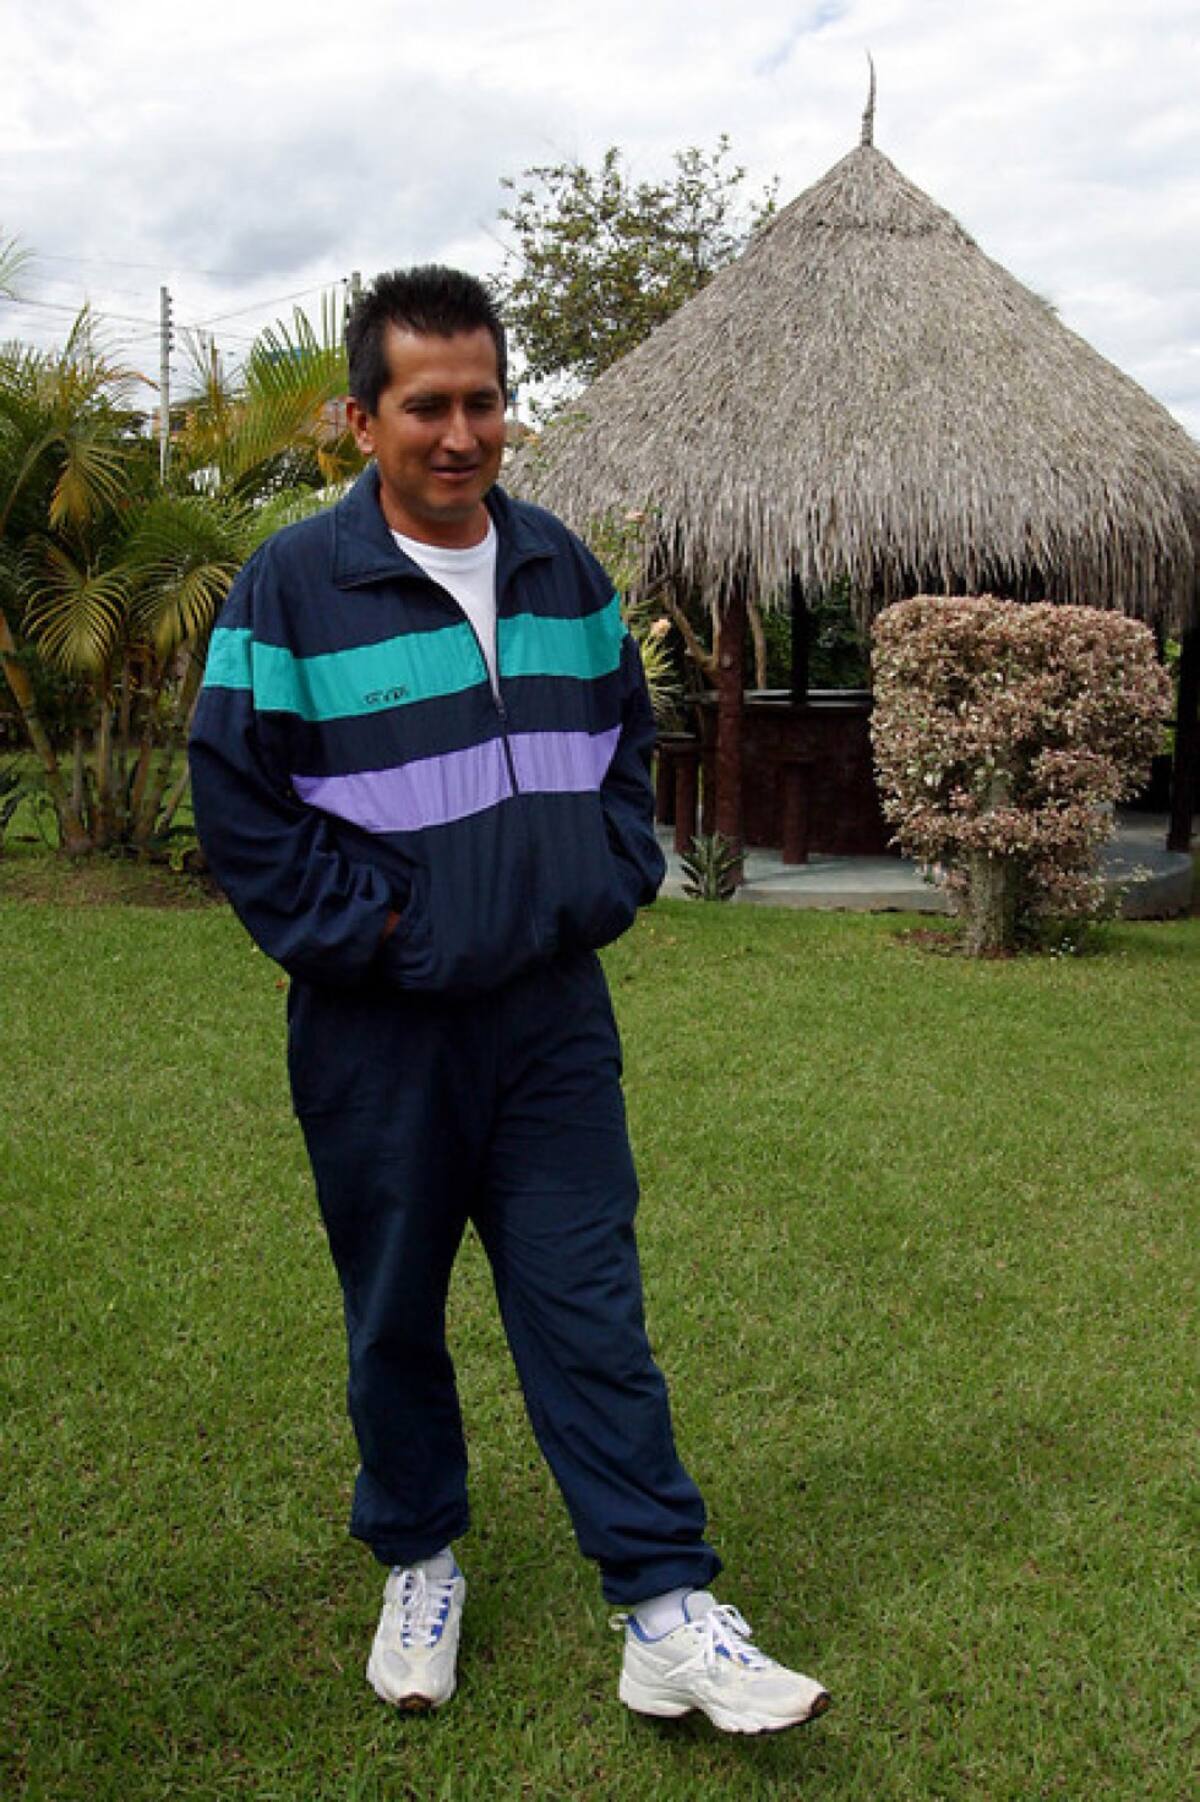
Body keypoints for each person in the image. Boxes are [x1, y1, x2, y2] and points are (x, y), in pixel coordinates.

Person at [188, 265, 830, 1736]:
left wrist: (601, 877)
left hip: (551, 1019)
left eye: (482, 400)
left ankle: (664, 1606)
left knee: (590, 1302)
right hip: (380, 1032)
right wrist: (390, 932)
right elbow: (238, 806)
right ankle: (420, 1558)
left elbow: (626, 741)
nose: (461, 432)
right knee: (394, 1314)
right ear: (363, 419)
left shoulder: (563, 568)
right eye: (427, 404)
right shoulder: (289, 587)